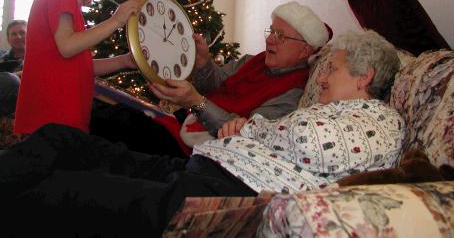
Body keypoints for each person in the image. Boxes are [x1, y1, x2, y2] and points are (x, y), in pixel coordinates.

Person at [0, 30, 405, 237]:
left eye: (331, 69)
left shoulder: (380, 120)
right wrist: (242, 126)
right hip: (206, 165)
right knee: (60, 138)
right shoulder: (321, 105)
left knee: (65, 190)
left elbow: (308, 141)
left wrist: (252, 130)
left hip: (221, 196)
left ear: (364, 77)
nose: (322, 79)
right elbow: (227, 92)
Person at [148, 0, 332, 151]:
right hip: (189, 121)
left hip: (207, 148)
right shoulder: (254, 60)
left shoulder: (293, 93)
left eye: (280, 36)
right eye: (271, 31)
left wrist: (198, 103)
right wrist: (204, 62)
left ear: (304, 50)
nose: (268, 39)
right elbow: (218, 81)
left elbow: (247, 134)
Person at [14, 0, 141, 134]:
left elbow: (80, 63)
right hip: (54, 117)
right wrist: (116, 21)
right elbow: (68, 46)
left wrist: (123, 61)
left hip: (54, 117)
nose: (90, 1)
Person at [0, 20, 27, 117]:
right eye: (14, 34)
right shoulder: (2, 59)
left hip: (23, 102)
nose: (18, 37)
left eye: (22, 33)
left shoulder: (41, 59)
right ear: (8, 38)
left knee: (13, 81)